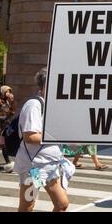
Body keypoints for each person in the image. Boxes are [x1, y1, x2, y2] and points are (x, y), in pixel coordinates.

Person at [13, 67, 75, 212]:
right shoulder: (34, 104)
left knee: (62, 204)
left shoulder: (53, 106)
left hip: (51, 165)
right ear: (43, 86)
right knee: (28, 206)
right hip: (34, 167)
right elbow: (30, 136)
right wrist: (58, 136)